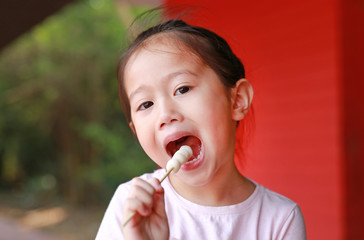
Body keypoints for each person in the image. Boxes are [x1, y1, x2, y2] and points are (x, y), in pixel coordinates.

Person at [96, 17, 306, 240]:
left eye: (183, 88)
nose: (165, 115)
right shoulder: (132, 206)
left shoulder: (280, 219)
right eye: (146, 104)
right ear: (135, 131)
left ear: (237, 101)